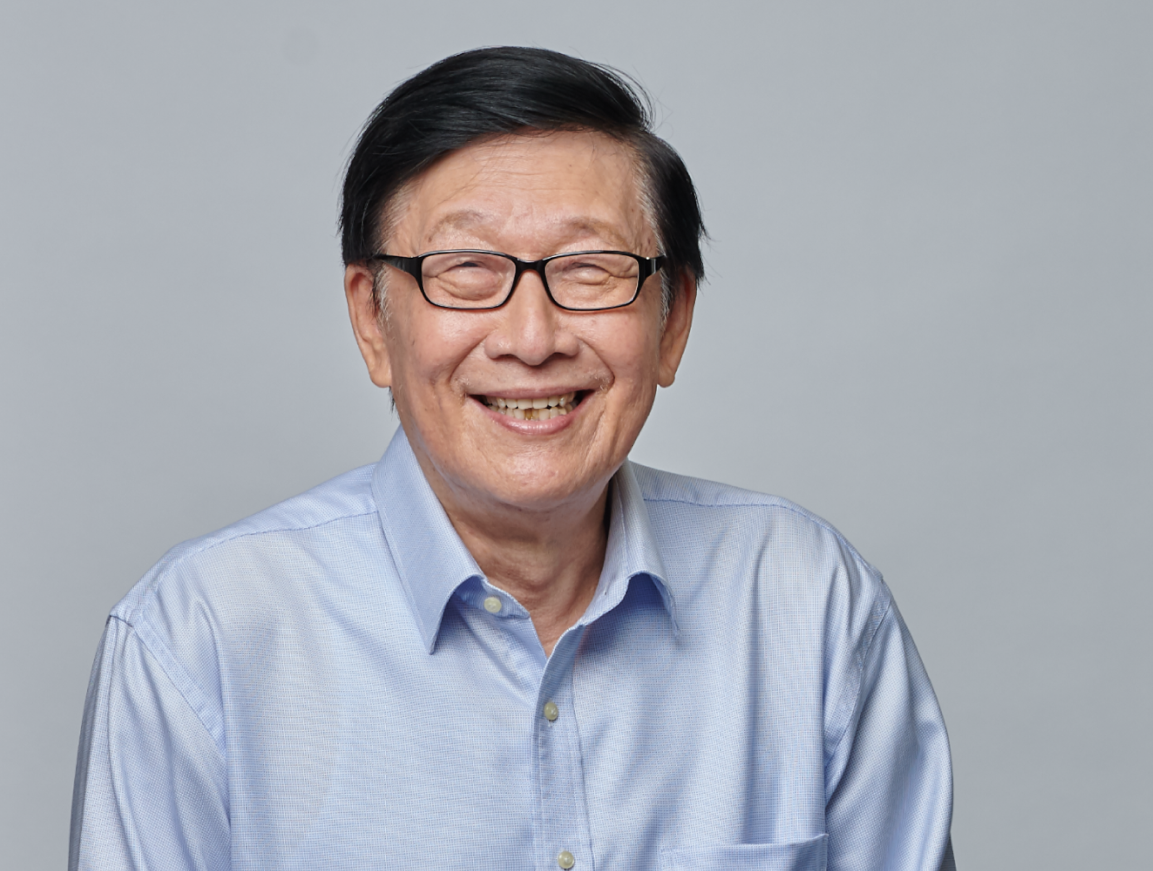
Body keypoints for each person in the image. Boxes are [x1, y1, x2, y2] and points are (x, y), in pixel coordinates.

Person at [70, 47, 954, 871]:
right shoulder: (201, 640)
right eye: (465, 269)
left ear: (673, 319)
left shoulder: (808, 603)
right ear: (373, 321)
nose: (532, 340)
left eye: (591, 268)